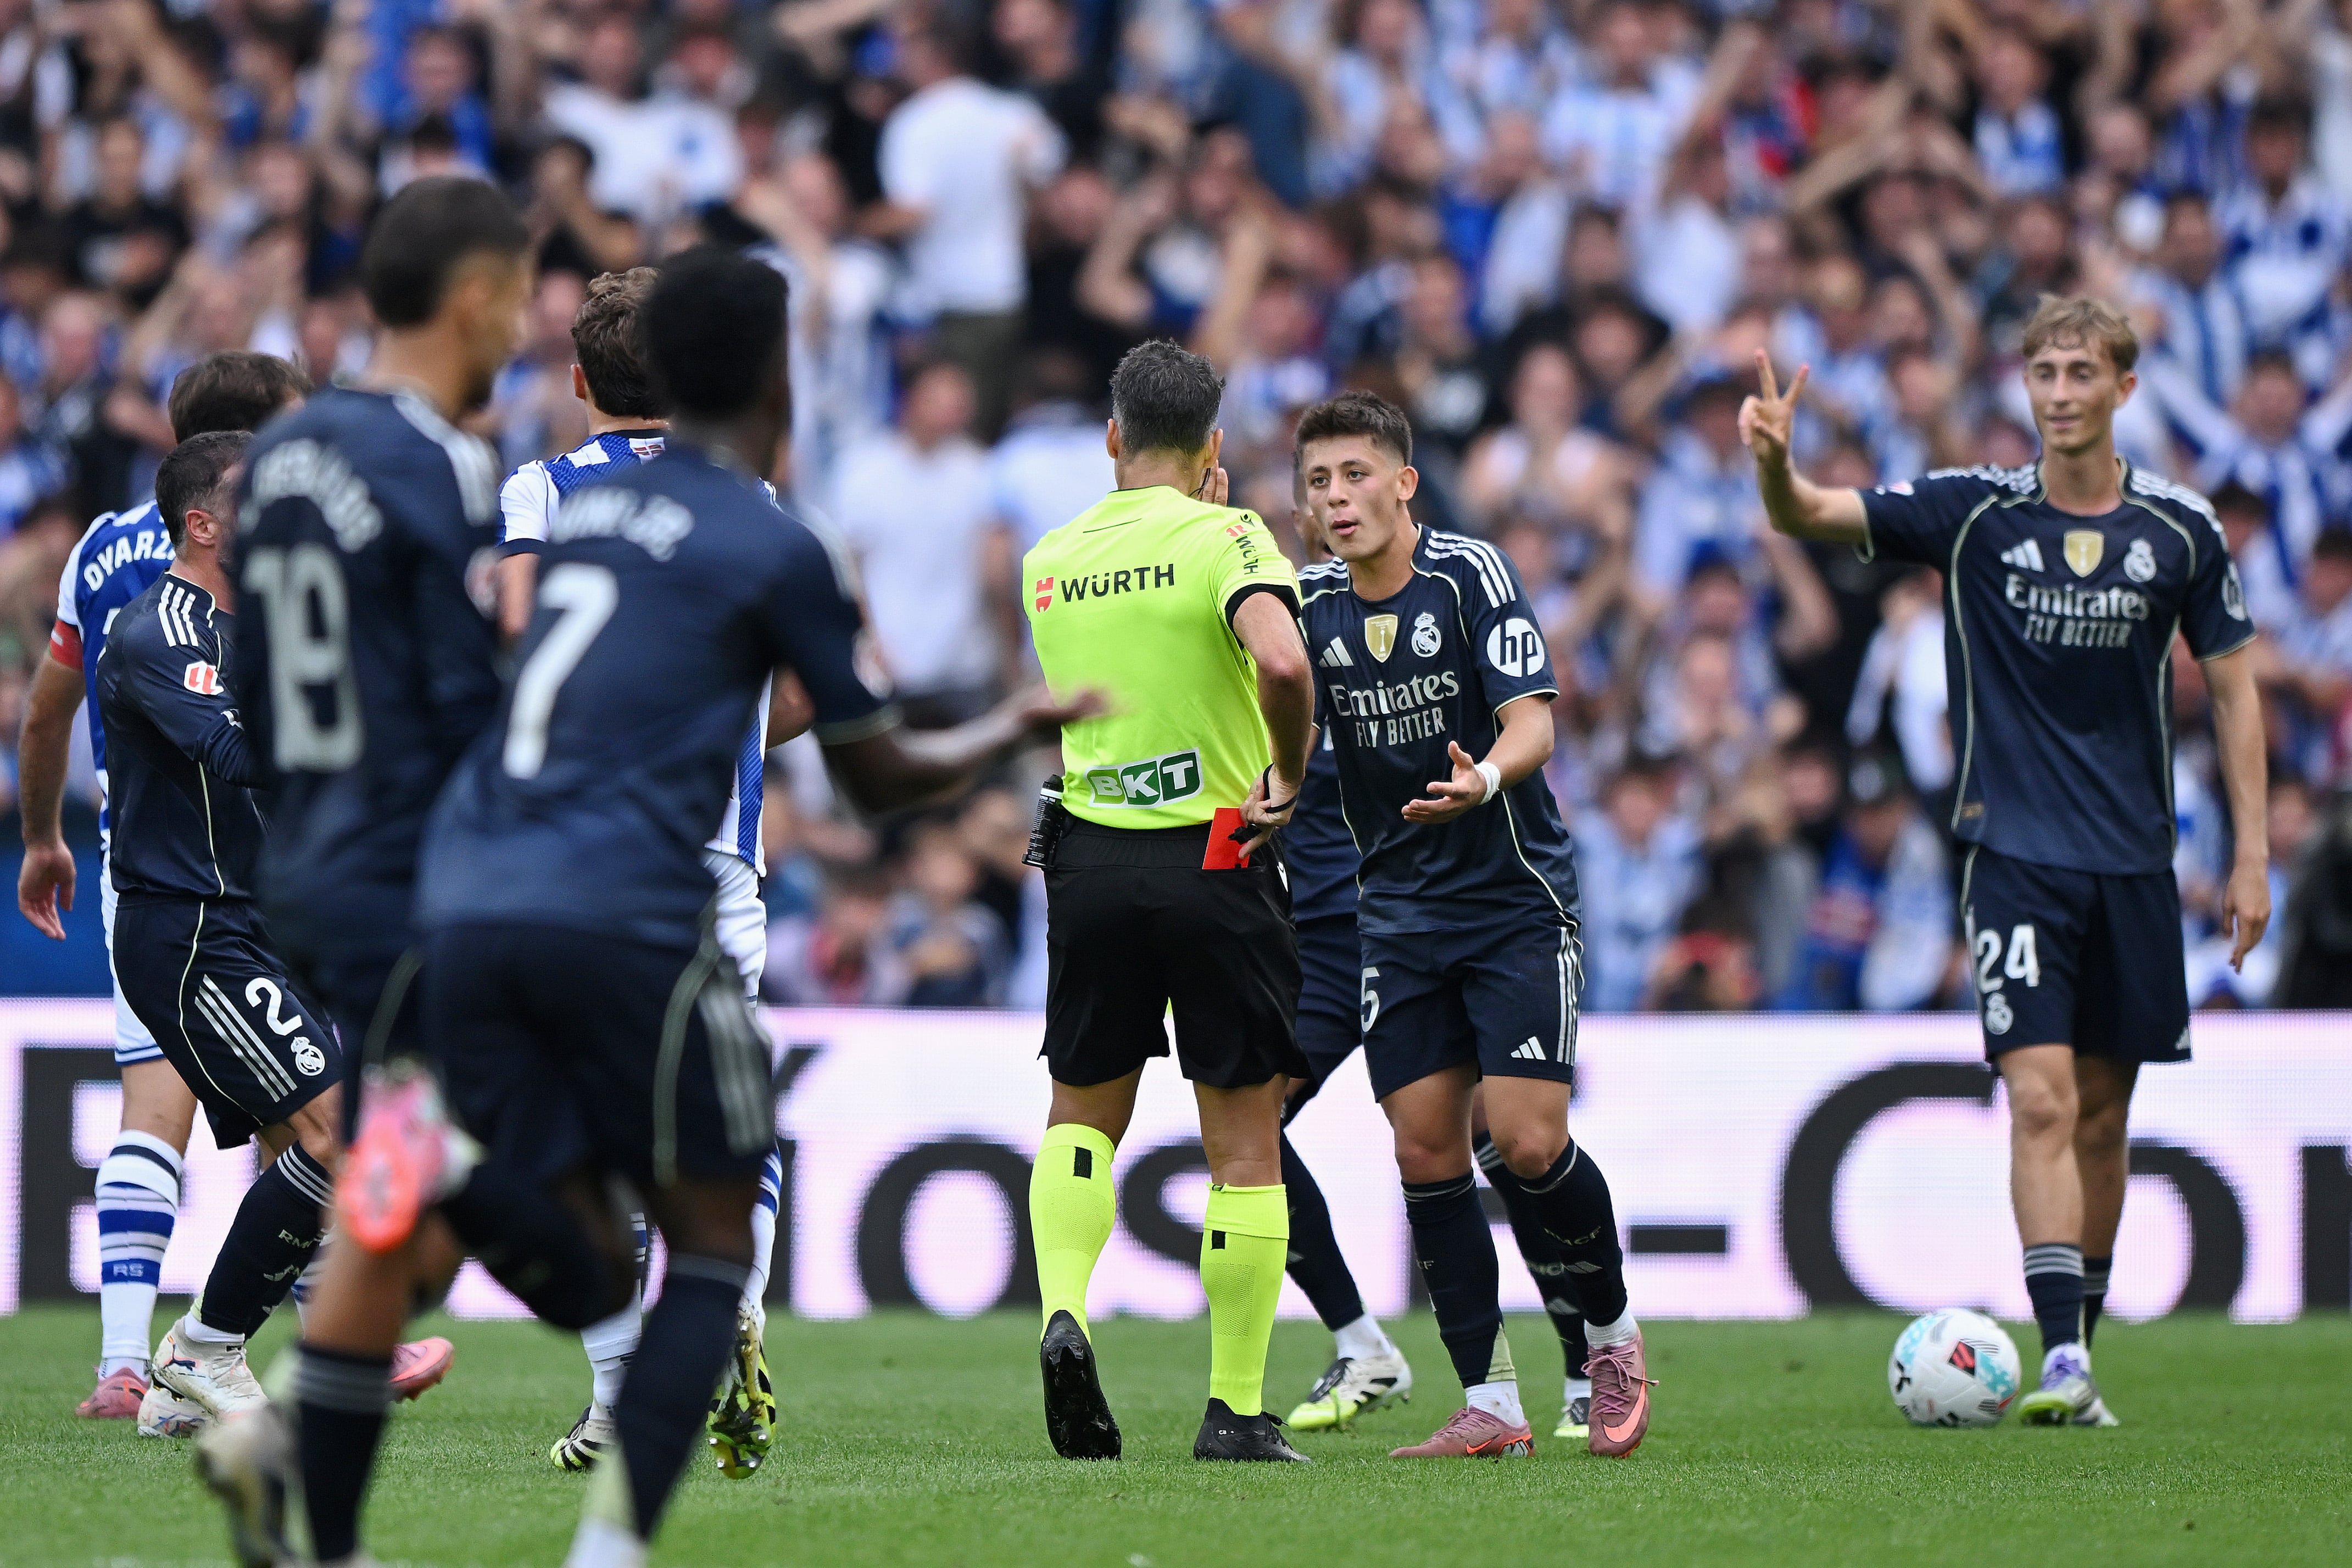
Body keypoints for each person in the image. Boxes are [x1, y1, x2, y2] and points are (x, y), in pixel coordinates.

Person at [1738, 294, 2270, 1425]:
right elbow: (1812, 517)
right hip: (2012, 855)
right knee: (2035, 1100)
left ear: (2122, 390)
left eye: (2082, 372)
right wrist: (1776, 471)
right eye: (2043, 372)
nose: (2061, 391)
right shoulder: (1971, 512)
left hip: (2132, 859)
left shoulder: (2178, 531)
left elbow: (2230, 684)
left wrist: (2251, 855)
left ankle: (2082, 1334)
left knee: (2099, 1114)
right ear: (2021, 388)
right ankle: (2066, 1359)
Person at [199, 175, 534, 1568]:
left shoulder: (278, 459)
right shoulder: (443, 465)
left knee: (408, 1165)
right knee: (464, 1163)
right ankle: (294, 1477)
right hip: (411, 870)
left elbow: (261, 698)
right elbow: (463, 702)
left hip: (311, 860)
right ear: (471, 298)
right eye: (517, 294)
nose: (522, 323)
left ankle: (285, 1449)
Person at [1294, 390, 1651, 1460]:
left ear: (1402, 482)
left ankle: (1611, 1336)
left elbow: (1533, 719)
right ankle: (1489, 1404)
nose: (1335, 499)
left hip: (1509, 901)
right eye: (1315, 483)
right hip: (1393, 915)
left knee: (1527, 1137)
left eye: (1354, 475)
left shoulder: (1467, 574)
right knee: (1423, 1148)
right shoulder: (1306, 603)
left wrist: (1485, 777)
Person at [494, 265, 796, 1480]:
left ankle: (624, 1386)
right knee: (727, 1101)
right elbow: (803, 679)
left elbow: (518, 632)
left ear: (576, 380)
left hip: (579, 850)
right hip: (719, 848)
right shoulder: (748, 492)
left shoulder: (539, 486)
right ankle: (738, 1303)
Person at [94, 432, 449, 1441]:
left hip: (269, 924)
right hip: (194, 930)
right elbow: (238, 753)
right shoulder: (155, 627)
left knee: (352, 1131)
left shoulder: (268, 624)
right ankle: (204, 1348)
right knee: (336, 1133)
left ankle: (182, 1380)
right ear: (203, 524)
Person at [1020, 338, 1317, 1465]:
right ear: (1212, 452)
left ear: (1110, 439)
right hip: (1217, 853)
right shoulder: (1226, 532)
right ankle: (1233, 1411)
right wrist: (1285, 779)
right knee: (1243, 1146)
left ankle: (1062, 1310)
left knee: (1079, 1115)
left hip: (1089, 858)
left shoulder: (1052, 556)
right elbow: (1281, 665)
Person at [15, 350, 308, 1422]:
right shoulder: (262, 546)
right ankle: (246, 1349)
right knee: (291, 1111)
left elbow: (49, 707)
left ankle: (134, 1362)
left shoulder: (99, 547)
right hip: (224, 870)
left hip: (133, 859)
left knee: (184, 1106)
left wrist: (46, 832)